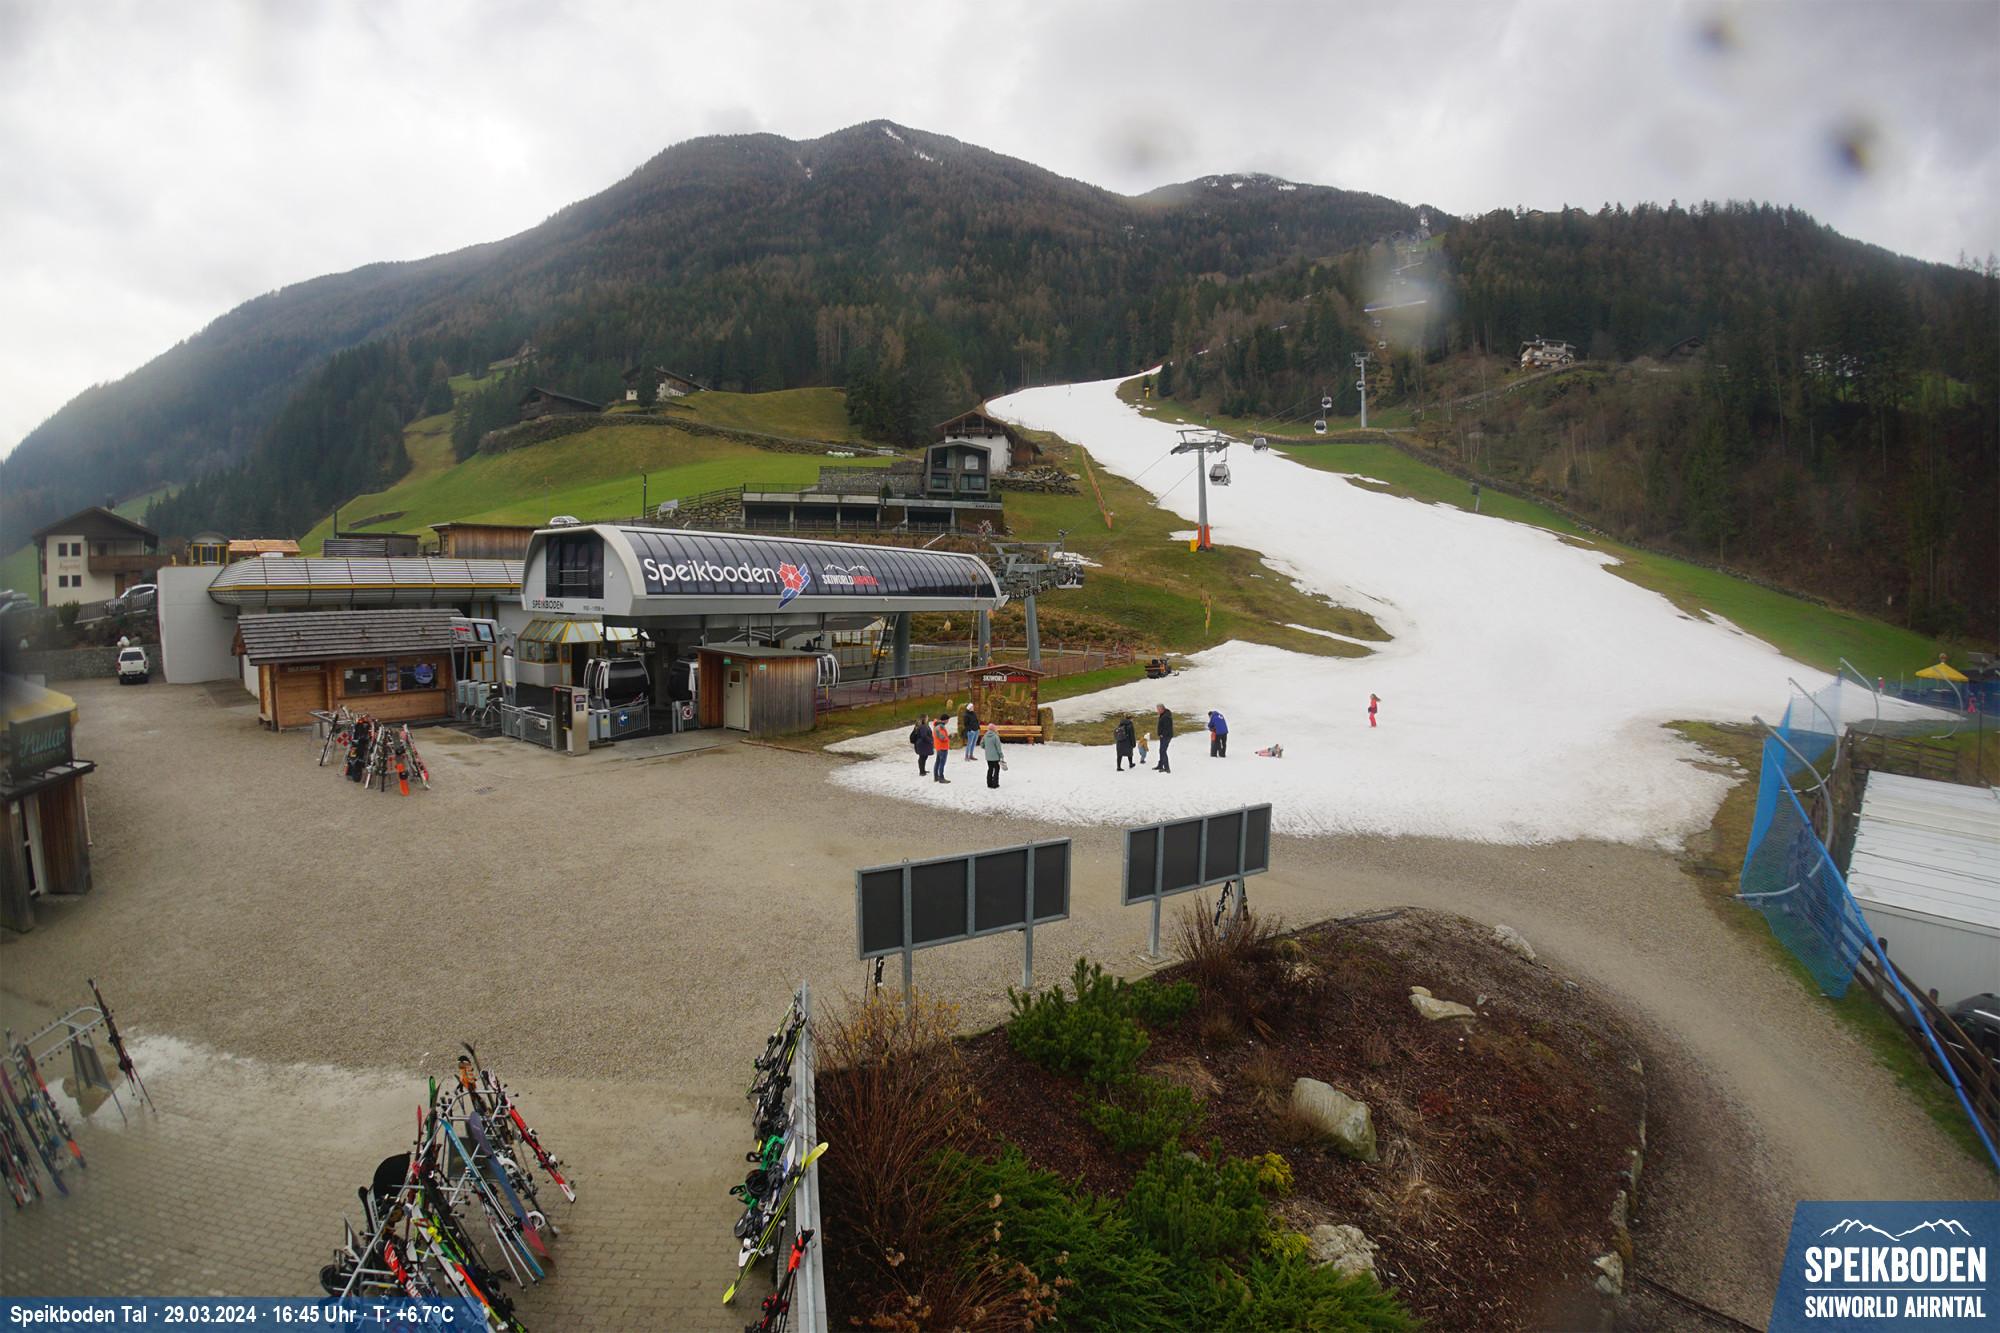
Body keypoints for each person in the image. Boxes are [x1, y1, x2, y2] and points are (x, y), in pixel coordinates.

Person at [980, 722, 1005, 787]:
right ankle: (995, 783)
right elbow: (998, 748)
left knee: (990, 769)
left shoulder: (985, 736)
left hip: (988, 756)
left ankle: (989, 783)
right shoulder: (995, 737)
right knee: (996, 769)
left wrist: (987, 748)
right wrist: (1001, 755)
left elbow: (981, 744)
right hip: (995, 756)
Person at [931, 715, 952, 783]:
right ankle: (941, 778)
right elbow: (943, 737)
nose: (948, 721)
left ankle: (936, 776)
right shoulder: (940, 727)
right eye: (947, 720)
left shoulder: (936, 726)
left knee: (938, 762)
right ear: (945, 720)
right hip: (942, 747)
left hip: (938, 746)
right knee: (942, 763)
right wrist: (949, 736)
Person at [1154, 704, 1174, 772]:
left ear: (1161, 709)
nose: (1157, 711)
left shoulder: (1166, 717)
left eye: (1158, 709)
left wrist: (1163, 734)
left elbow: (1167, 727)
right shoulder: (1164, 714)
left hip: (1166, 736)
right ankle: (1160, 765)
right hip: (1164, 736)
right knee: (1161, 750)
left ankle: (1166, 768)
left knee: (1163, 751)